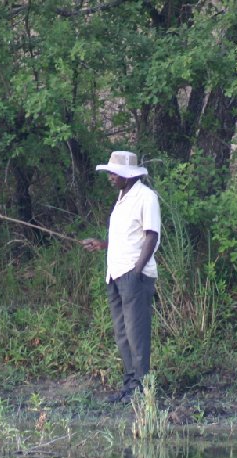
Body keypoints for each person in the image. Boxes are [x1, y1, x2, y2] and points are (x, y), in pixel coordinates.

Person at [82, 151, 161, 404]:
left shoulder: (146, 197)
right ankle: (130, 387)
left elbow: (151, 236)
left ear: (128, 174)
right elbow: (128, 237)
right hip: (115, 275)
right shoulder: (122, 197)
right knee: (122, 333)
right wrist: (103, 245)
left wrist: (137, 271)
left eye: (114, 173)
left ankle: (141, 389)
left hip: (133, 276)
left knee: (136, 334)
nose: (110, 177)